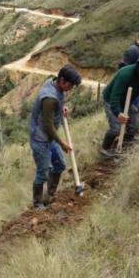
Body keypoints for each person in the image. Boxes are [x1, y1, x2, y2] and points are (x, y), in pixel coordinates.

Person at [27, 65, 81, 209]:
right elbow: (48, 126)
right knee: (43, 173)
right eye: (70, 85)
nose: (70, 89)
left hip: (48, 137)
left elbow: (57, 100)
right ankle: (37, 202)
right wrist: (62, 143)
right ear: (62, 80)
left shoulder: (53, 82)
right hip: (40, 139)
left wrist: (61, 106)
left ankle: (51, 194)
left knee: (60, 165)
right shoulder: (49, 99)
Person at [100, 52, 139, 156]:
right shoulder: (125, 74)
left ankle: (123, 148)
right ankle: (105, 149)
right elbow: (115, 97)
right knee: (115, 128)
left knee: (133, 125)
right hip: (111, 100)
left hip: (127, 101)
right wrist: (118, 113)